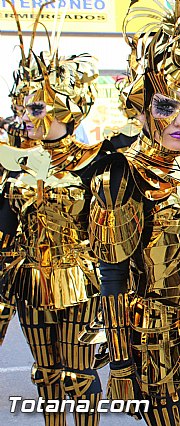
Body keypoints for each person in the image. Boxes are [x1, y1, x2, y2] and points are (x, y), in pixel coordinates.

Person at [89, 1, 180, 424]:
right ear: (143, 106)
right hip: (158, 339)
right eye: (166, 106)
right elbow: (113, 275)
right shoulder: (122, 173)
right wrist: (119, 363)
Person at [0, 2, 106, 424]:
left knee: (77, 374)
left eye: (37, 110)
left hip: (80, 280)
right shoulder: (14, 164)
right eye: (24, 110)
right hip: (31, 279)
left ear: (67, 110)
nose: (26, 119)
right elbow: (5, 230)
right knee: (46, 373)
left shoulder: (95, 160)